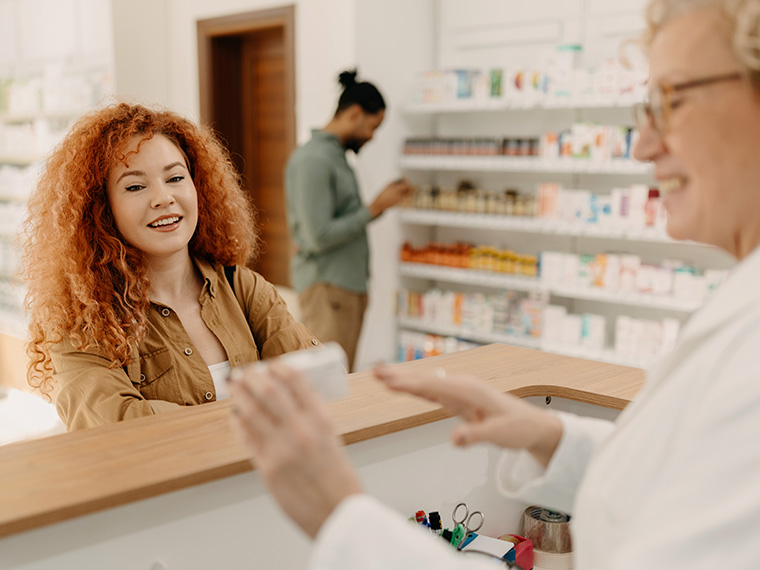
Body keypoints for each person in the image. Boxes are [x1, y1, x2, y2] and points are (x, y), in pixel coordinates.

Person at [229, 0, 760, 568]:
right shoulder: (739, 301)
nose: (642, 145)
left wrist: (342, 519)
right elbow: (683, 473)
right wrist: (550, 437)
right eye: (646, 107)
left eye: (671, 102)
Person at [23, 102, 320, 432]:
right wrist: (259, 409)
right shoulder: (83, 323)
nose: (163, 198)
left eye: (175, 177)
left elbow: (315, 382)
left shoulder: (244, 288)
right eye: (135, 186)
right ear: (101, 209)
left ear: (198, 188)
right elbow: (118, 428)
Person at [285, 69, 413, 371]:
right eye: (372, 127)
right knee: (327, 383)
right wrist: (373, 208)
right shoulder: (314, 160)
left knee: (342, 379)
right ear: (355, 114)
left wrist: (379, 207)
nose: (372, 136)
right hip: (328, 289)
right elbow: (319, 236)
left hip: (344, 289)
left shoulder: (336, 156)